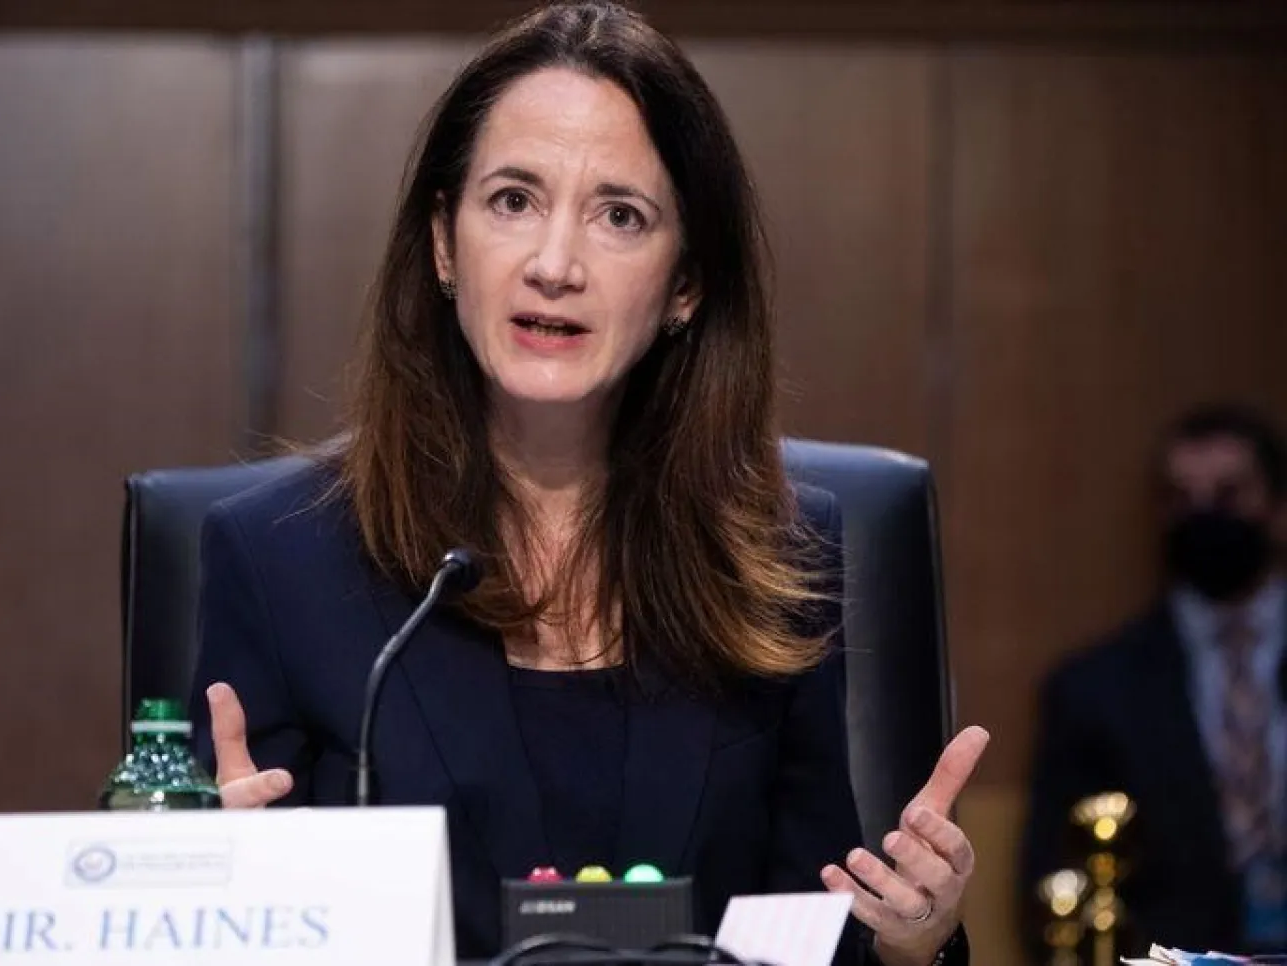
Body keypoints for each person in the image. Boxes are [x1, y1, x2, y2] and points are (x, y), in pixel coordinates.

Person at [187, 3, 986, 963]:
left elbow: (810, 938)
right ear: (444, 242)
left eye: (619, 216)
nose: (555, 265)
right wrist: (217, 902)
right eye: (513, 201)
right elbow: (227, 917)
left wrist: (911, 943)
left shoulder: (779, 562)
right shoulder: (281, 560)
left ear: (685, 283)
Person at [1021, 404, 1287, 957]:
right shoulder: (1094, 691)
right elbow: (1054, 892)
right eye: (1181, 498)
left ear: (1278, 508)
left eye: (1229, 494)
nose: (1204, 515)